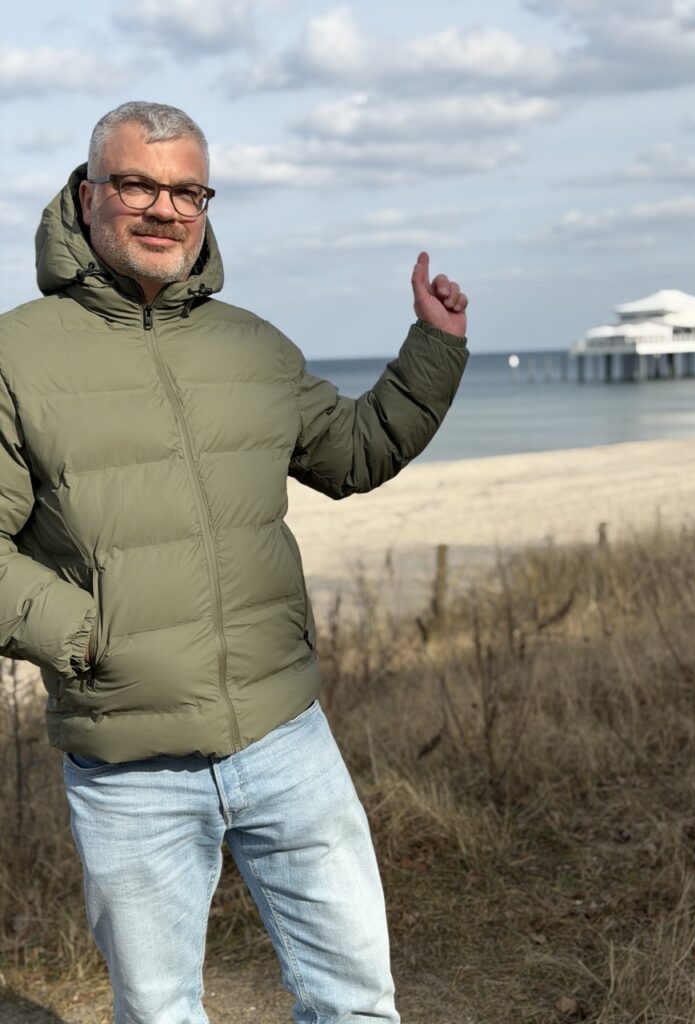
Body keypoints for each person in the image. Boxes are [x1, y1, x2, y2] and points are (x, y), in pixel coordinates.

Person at [0, 101, 468, 1023]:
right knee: (162, 1012)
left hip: (287, 738)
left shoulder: (252, 344)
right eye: (138, 184)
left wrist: (435, 349)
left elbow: (354, 452)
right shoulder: (16, 355)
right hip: (129, 765)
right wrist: (91, 636)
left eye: (188, 191)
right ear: (87, 195)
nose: (164, 209)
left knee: (356, 1001)